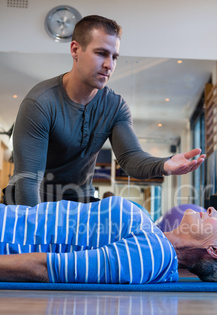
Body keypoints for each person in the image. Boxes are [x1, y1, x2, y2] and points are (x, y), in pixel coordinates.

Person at [4, 15, 205, 206]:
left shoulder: (115, 106)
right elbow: (28, 181)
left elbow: (130, 158)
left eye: (114, 57)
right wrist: (37, 232)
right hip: (31, 202)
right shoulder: (40, 102)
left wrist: (164, 165)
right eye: (101, 53)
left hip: (78, 202)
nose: (109, 65)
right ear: (75, 50)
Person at [0, 196, 217, 285]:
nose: (214, 211)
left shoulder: (151, 255)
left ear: (215, 250)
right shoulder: (156, 244)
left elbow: (49, 268)